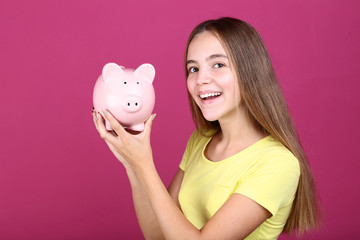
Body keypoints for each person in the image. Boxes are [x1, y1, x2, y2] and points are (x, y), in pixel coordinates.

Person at [92, 17, 320, 240]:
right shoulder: (201, 139)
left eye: (218, 65)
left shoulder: (278, 163)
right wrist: (132, 164)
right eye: (193, 69)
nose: (201, 79)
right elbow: (157, 234)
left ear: (250, 71)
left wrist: (144, 164)